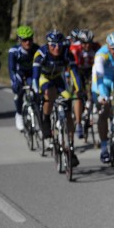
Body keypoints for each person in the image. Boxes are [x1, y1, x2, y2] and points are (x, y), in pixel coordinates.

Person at [32, 29, 82, 164]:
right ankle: (46, 119)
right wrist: (37, 92)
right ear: (48, 45)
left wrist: (79, 90)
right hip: (44, 78)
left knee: (68, 103)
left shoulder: (66, 53)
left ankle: (70, 147)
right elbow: (35, 76)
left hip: (58, 79)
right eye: (53, 45)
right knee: (49, 93)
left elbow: (75, 74)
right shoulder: (41, 53)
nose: (57, 48)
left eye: (59, 45)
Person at [93, 31, 114, 163]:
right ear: (108, 47)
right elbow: (99, 76)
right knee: (104, 110)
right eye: (113, 48)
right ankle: (104, 147)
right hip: (101, 83)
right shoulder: (101, 54)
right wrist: (102, 96)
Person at [7, 25, 40, 131]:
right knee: (18, 92)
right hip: (19, 73)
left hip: (31, 73)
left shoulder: (37, 49)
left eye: (30, 39)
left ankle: (37, 114)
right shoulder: (14, 51)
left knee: (36, 91)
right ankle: (19, 114)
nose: (27, 42)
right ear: (20, 40)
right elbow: (11, 68)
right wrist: (14, 81)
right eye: (25, 40)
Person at [68, 28, 100, 137]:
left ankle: (90, 107)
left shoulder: (96, 47)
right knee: (78, 94)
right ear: (80, 42)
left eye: (89, 43)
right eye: (84, 43)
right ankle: (78, 123)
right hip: (78, 71)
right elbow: (72, 68)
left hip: (91, 70)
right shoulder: (74, 49)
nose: (87, 45)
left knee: (94, 91)